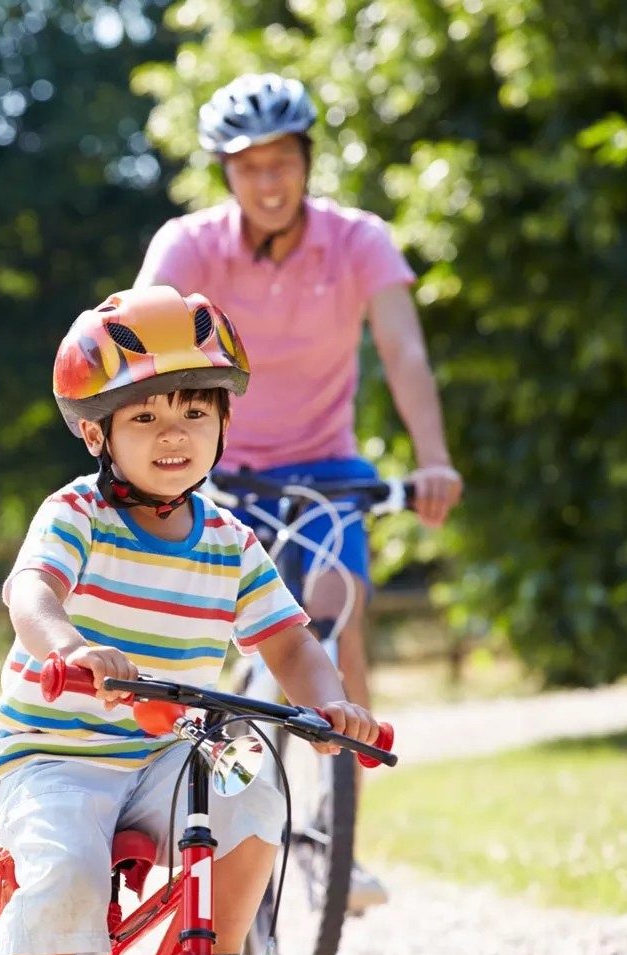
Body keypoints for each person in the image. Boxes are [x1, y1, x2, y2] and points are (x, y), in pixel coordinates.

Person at [0, 287, 379, 955]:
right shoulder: (76, 513)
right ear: (98, 431)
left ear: (223, 424)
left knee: (255, 787)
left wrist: (328, 703)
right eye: (147, 417)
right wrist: (73, 648)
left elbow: (289, 640)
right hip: (52, 752)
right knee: (68, 880)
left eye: (195, 413)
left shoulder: (229, 539)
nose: (174, 436)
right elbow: (31, 593)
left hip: (168, 753)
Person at [134, 72, 462, 910]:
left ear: (308, 162)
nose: (269, 181)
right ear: (225, 173)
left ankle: (334, 836)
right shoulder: (191, 244)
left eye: (283, 162)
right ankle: (227, 808)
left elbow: (406, 355)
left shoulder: (358, 241)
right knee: (217, 653)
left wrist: (432, 458)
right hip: (219, 470)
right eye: (250, 166)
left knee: (333, 608)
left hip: (325, 468)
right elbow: (142, 342)